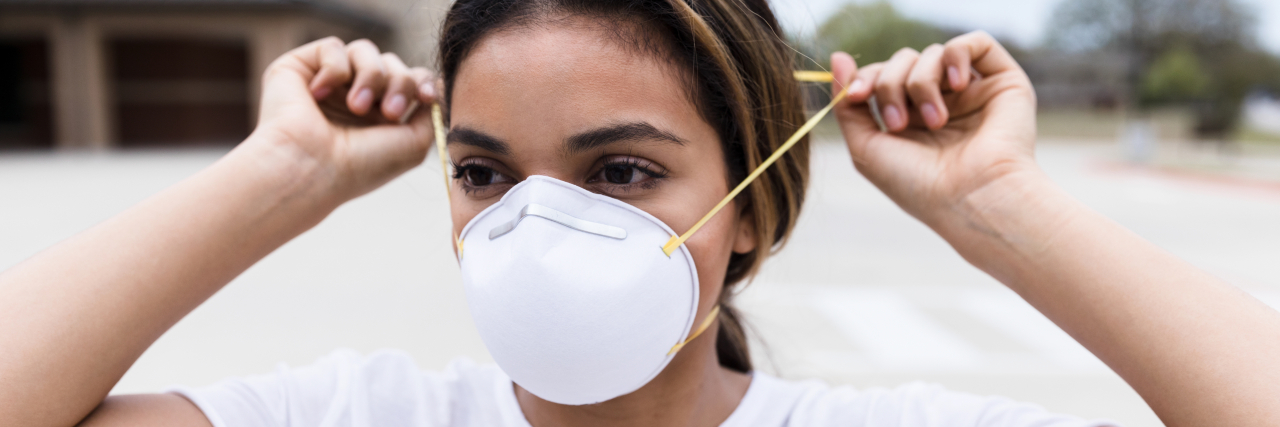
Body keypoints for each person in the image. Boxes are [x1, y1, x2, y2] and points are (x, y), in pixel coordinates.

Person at [2, 0, 1279, 426]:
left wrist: (999, 207)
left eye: (619, 171)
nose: (532, 223)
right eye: (485, 171)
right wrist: (275, 176)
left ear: (749, 216)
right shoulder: (360, 411)